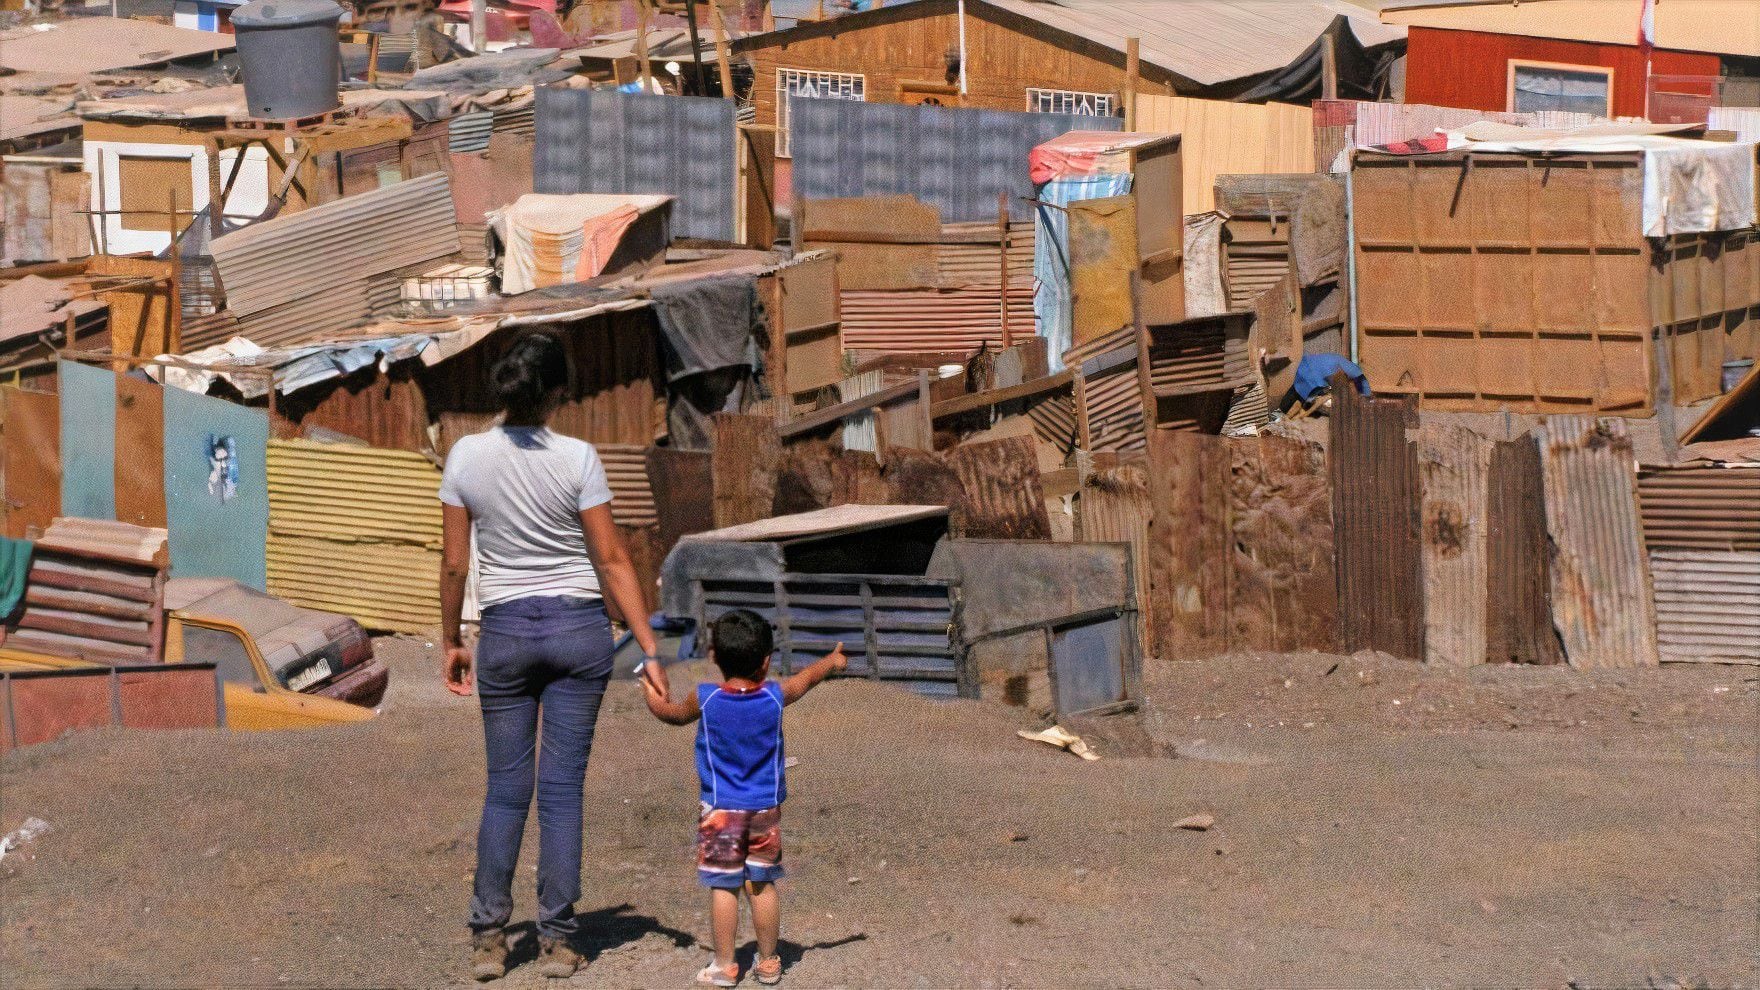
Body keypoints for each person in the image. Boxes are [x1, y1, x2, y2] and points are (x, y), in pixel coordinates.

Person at [438, 331, 665, 982]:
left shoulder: (465, 457)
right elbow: (612, 558)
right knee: (561, 793)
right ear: (560, 392)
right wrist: (649, 648)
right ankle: (558, 942)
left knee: (506, 791)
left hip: (505, 636)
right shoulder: (579, 458)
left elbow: (456, 563)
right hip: (576, 635)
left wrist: (452, 638)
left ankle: (488, 938)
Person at [639, 609, 847, 987]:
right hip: (765, 807)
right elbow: (807, 679)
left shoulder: (705, 698)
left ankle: (724, 965)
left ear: (714, 656)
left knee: (725, 886)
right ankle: (768, 963)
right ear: (766, 661)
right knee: (762, 884)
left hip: (720, 808)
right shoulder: (774, 696)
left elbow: (670, 715)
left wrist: (654, 699)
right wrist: (832, 661)